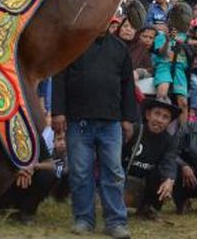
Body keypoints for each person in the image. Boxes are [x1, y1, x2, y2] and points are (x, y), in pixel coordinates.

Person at [52, 29, 137, 238]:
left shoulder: (119, 48)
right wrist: (58, 112)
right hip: (78, 119)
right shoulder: (74, 41)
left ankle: (116, 222)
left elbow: (128, 86)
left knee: (114, 172)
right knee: (80, 172)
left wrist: (128, 118)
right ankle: (83, 219)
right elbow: (59, 77)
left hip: (111, 121)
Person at [123, 97, 180, 218]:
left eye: (165, 117)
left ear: (169, 122)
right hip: (125, 180)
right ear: (148, 115)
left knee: (169, 174)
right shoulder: (134, 131)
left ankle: (150, 207)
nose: (160, 120)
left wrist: (169, 180)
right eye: (157, 114)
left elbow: (169, 161)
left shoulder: (169, 141)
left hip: (148, 183)